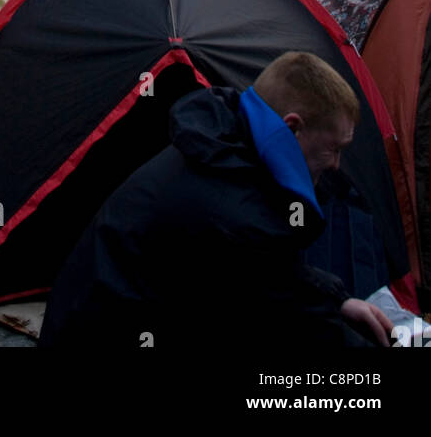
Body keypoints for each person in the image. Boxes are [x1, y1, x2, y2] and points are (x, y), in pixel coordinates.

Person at [40, 52, 393, 351]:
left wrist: (337, 300)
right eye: (335, 148)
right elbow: (297, 320)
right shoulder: (233, 213)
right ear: (292, 127)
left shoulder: (224, 140)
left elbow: (277, 275)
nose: (336, 165)